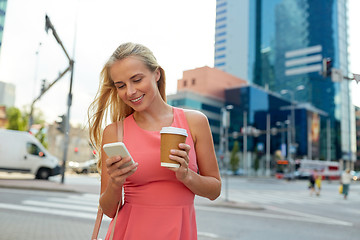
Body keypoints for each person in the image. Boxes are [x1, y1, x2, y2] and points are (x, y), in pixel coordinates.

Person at [88, 42, 221, 239]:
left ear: (156, 74)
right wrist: (115, 182)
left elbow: (214, 190)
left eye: (137, 79)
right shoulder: (114, 132)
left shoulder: (195, 122)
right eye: (121, 86)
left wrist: (186, 176)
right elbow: (108, 210)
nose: (130, 91)